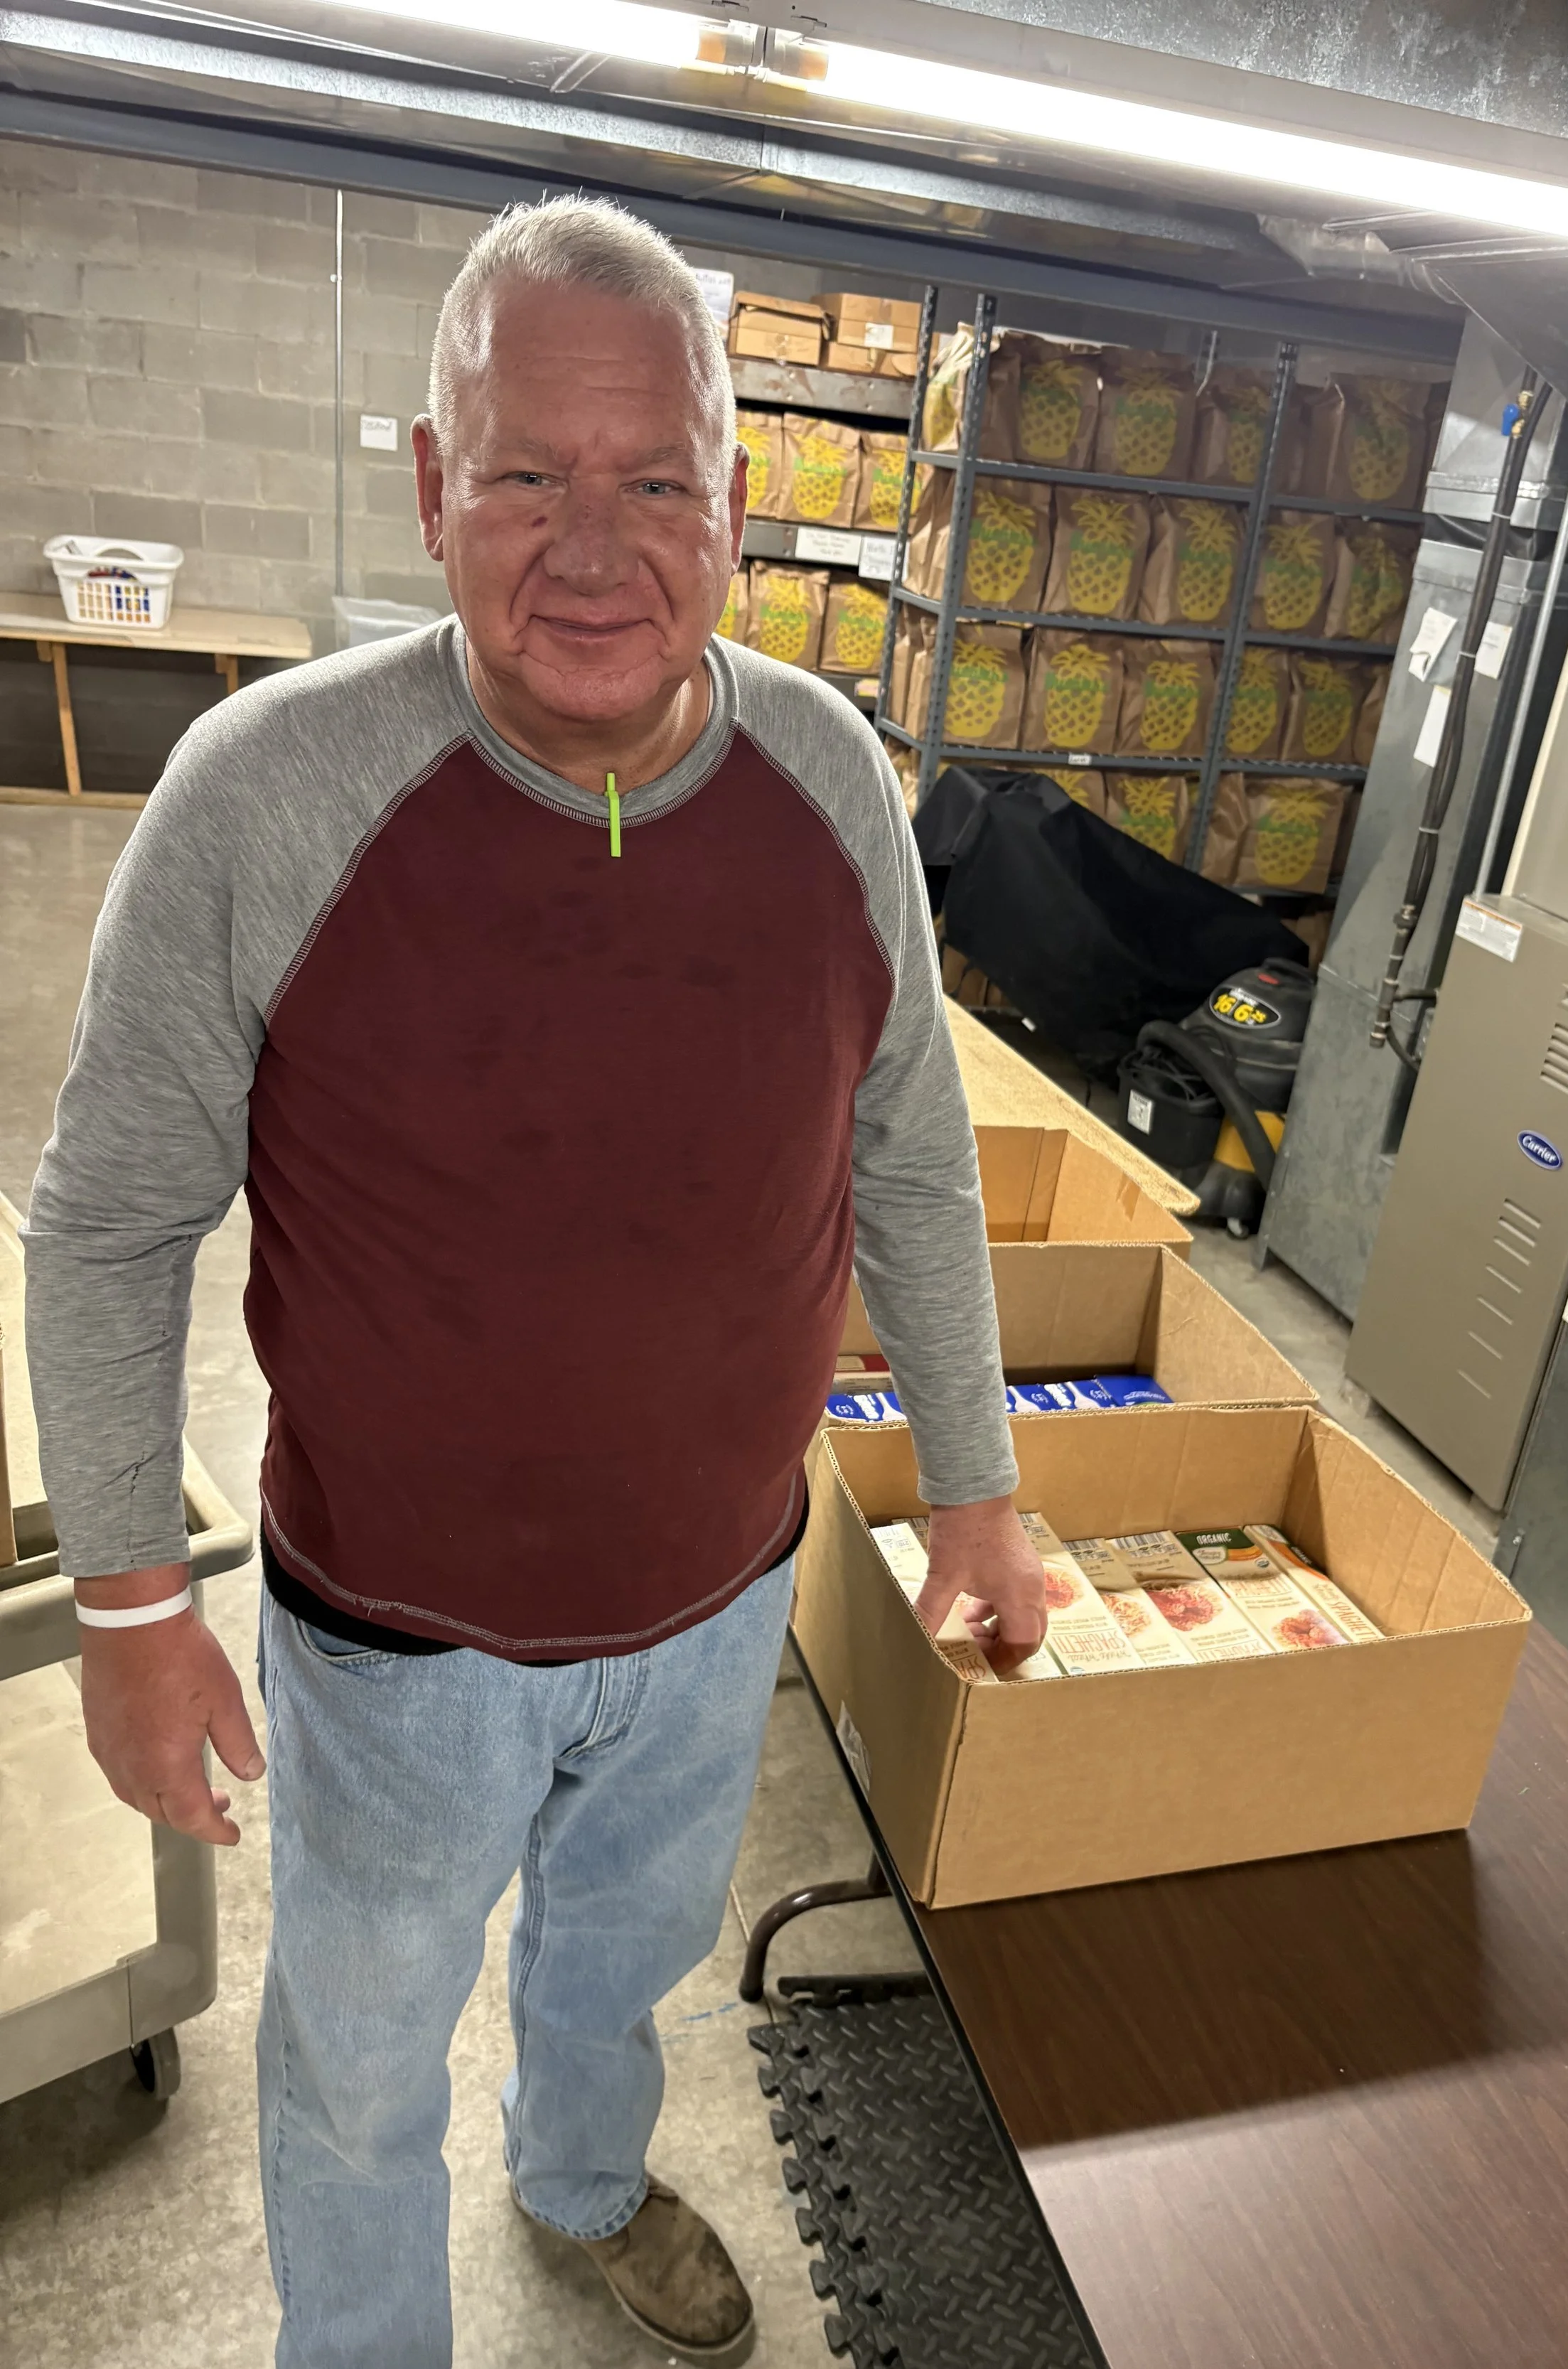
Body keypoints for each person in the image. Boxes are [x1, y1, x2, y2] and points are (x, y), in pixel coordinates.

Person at [25, 196, 1046, 2368]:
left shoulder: (829, 781)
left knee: (624, 1956)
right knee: (358, 2065)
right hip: (396, 1644)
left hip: (714, 1598)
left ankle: (582, 2181)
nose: (595, 546)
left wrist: (975, 1484)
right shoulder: (268, 791)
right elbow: (110, 1212)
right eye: (525, 475)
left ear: (732, 502)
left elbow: (914, 1149)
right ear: (428, 480)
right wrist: (128, 1600)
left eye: (654, 481)